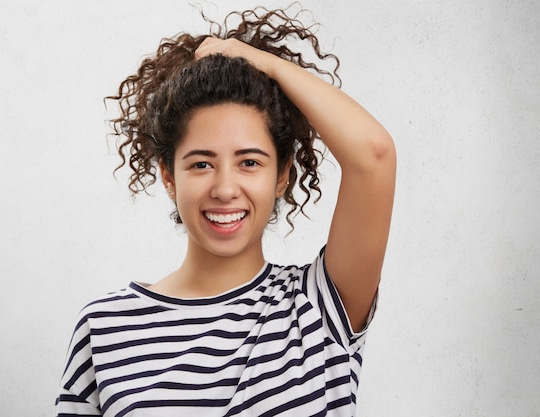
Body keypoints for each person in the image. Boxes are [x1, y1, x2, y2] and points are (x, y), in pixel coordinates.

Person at [55, 6, 396, 417]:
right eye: (201, 163)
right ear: (168, 175)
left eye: (249, 162)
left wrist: (261, 63)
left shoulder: (319, 306)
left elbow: (374, 155)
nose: (225, 188)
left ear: (282, 174)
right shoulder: (106, 327)